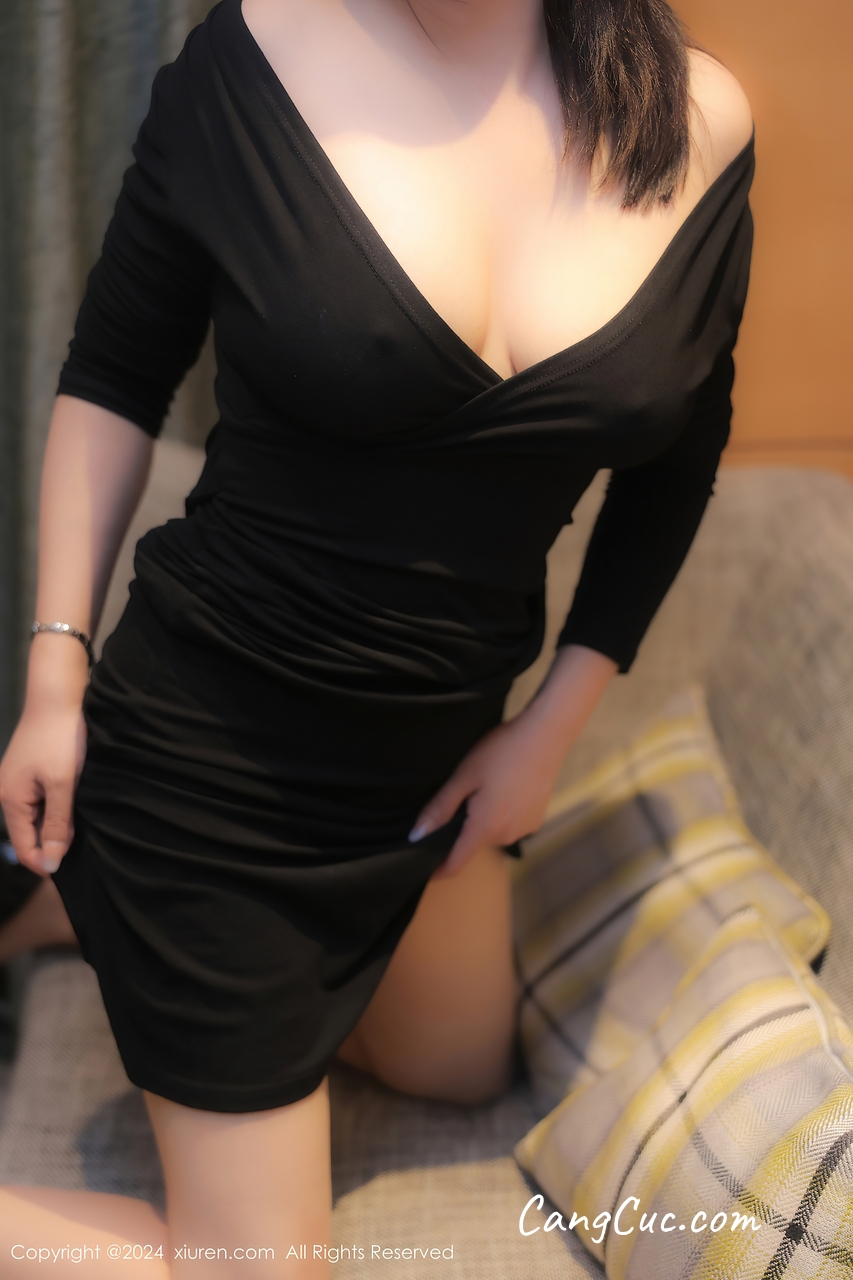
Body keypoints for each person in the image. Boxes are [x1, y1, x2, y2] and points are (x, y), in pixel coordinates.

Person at [0, 0, 754, 1272]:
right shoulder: (252, 56)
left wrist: (545, 733)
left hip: (427, 771)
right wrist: (54, 671)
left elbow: (677, 465)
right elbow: (114, 376)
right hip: (211, 763)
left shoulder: (699, 119)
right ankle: (125, 878)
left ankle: (68, 901)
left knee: (457, 1067)